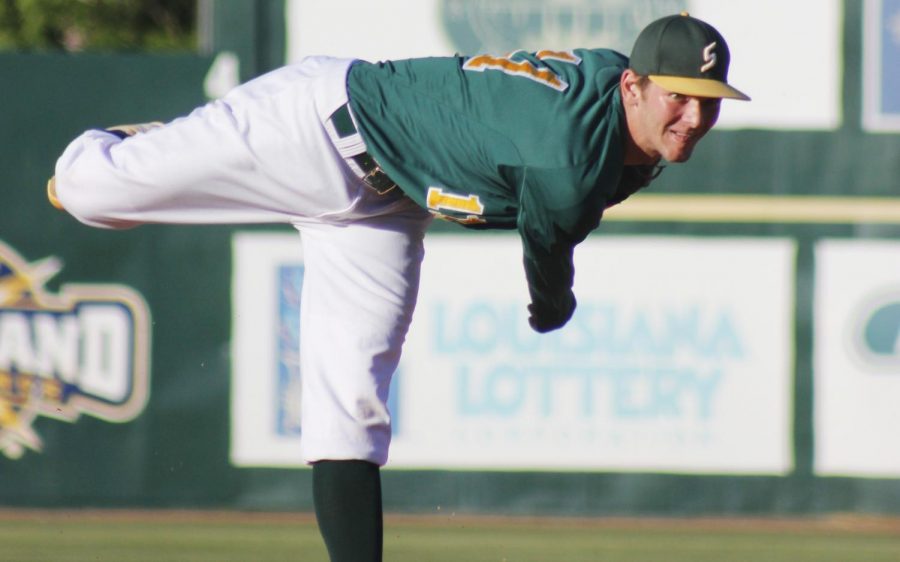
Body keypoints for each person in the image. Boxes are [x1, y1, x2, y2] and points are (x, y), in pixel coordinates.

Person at [48, 12, 748, 562]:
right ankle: (130, 140)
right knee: (84, 189)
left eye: (710, 103)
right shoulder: (569, 158)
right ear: (633, 85)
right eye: (681, 99)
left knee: (349, 410)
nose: (695, 119)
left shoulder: (623, 119)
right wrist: (551, 308)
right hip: (316, 129)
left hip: (384, 208)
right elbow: (550, 265)